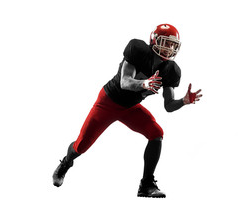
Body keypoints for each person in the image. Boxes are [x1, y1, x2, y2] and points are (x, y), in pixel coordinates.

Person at [52, 24, 202, 198]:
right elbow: (125, 81)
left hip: (130, 107)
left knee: (156, 133)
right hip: (108, 102)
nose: (169, 48)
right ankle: (66, 162)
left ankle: (146, 185)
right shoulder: (137, 50)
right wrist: (144, 84)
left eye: (172, 45)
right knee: (82, 145)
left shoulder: (171, 69)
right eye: (165, 43)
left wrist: (183, 102)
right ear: (154, 40)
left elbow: (168, 105)